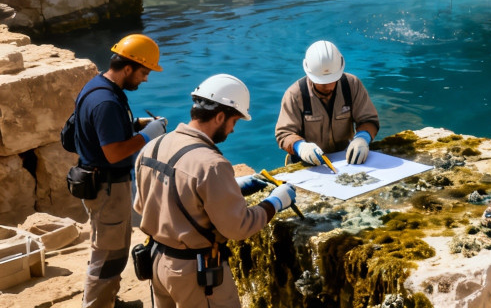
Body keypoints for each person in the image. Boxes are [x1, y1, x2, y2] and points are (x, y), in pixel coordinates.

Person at [134, 74, 296, 308]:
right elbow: (238, 227)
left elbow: (143, 204)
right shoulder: (212, 164)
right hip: (196, 274)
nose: (232, 130)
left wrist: (229, 191)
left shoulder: (153, 146)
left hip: (158, 263)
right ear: (220, 116)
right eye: (235, 122)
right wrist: (275, 203)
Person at [72, 34, 167, 308]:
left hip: (101, 184)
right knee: (108, 254)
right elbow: (113, 152)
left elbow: (100, 130)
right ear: (128, 68)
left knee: (110, 249)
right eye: (144, 72)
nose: (146, 79)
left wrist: (136, 124)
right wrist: (147, 136)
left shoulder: (99, 87)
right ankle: (97, 305)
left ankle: (108, 300)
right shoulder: (107, 102)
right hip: (107, 188)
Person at [276, 41, 380, 166]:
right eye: (321, 82)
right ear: (309, 74)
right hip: (309, 164)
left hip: (345, 159)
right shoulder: (294, 94)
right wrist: (300, 147)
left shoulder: (352, 85)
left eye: (333, 79)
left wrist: (363, 138)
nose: (328, 86)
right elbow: (284, 134)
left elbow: (369, 120)